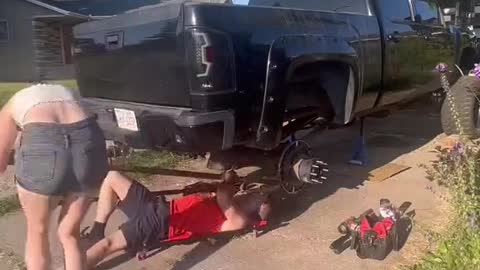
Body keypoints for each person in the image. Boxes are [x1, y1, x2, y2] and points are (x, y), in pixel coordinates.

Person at [0, 83, 109, 270]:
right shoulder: (66, 94)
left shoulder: (11, 105)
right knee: (70, 233)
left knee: (38, 232)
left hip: (44, 143)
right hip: (89, 141)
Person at [84, 171, 272, 268]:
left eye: (257, 197)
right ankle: (96, 231)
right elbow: (221, 191)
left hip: (162, 222)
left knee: (106, 246)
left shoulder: (238, 220)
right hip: (157, 206)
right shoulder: (227, 201)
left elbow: (224, 192)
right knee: (112, 177)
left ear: (257, 209)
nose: (253, 193)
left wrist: (228, 180)